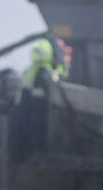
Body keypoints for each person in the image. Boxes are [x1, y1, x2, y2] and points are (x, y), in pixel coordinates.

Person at [9, 36, 68, 164]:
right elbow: (37, 118)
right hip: (31, 134)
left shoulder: (30, 72)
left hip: (20, 133)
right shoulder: (44, 75)